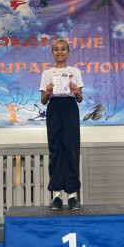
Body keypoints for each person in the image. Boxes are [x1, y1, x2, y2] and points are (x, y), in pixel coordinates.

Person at [39, 39, 84, 210]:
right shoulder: (47, 73)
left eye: (63, 49)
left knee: (72, 150)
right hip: (54, 109)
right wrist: (48, 92)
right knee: (55, 150)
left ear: (68, 52)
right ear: (52, 52)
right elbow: (43, 101)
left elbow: (80, 98)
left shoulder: (75, 72)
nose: (60, 52)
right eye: (56, 49)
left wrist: (76, 92)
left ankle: (72, 196)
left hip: (70, 108)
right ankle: (56, 195)